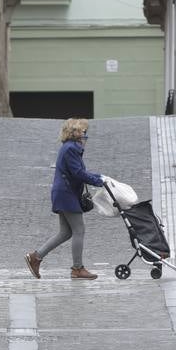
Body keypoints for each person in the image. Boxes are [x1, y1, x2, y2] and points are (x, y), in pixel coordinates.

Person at [25, 118, 104, 281]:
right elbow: (78, 173)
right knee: (79, 230)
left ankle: (36, 257)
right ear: (75, 133)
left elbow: (80, 171)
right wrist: (98, 181)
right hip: (66, 194)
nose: (85, 135)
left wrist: (99, 177)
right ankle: (77, 268)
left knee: (65, 232)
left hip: (64, 193)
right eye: (83, 132)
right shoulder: (71, 149)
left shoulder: (70, 148)